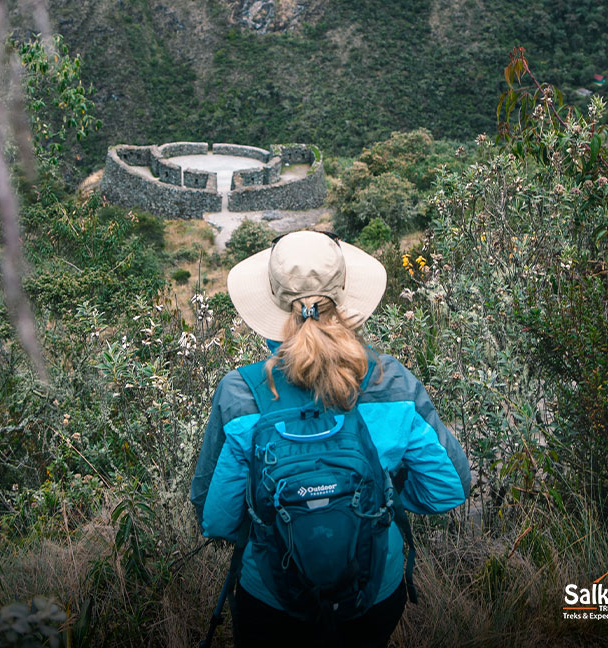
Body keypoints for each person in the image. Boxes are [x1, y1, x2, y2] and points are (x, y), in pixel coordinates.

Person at [191, 230, 470, 648]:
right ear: (344, 300)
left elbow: (216, 519)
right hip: (373, 594)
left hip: (272, 598)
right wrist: (376, 495)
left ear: (271, 304)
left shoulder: (241, 393)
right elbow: (448, 488)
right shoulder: (390, 381)